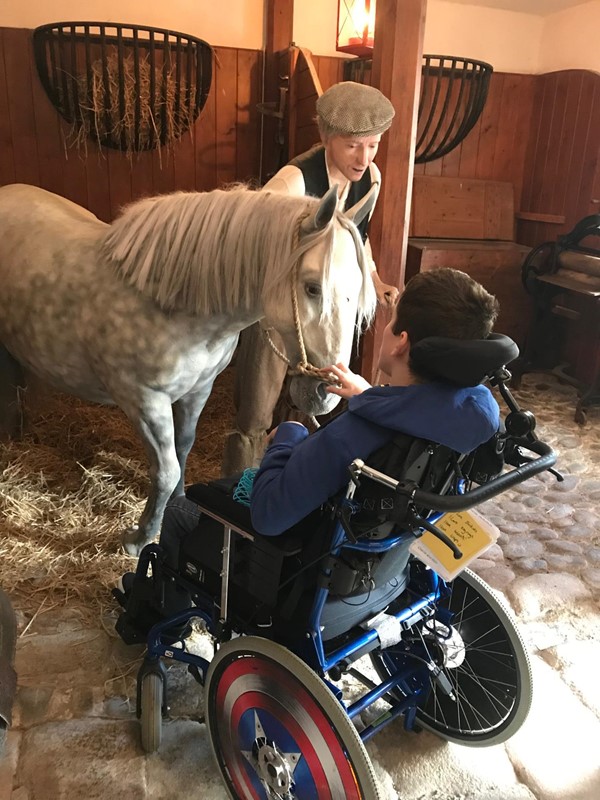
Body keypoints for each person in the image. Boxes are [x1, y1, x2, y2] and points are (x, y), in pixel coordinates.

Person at [116, 269, 501, 633]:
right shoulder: (477, 416)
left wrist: (288, 436)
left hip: (307, 583)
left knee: (182, 509)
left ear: (401, 341)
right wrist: (370, 396)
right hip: (385, 571)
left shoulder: (350, 436)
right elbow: (417, 410)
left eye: (391, 319)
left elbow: (269, 515)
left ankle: (165, 615)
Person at [221, 81, 399, 476]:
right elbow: (247, 237)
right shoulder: (293, 182)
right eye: (353, 145)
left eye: (372, 145)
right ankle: (239, 497)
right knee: (255, 414)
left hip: (326, 305)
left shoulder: (370, 179)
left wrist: (375, 277)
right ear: (325, 137)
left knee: (321, 388)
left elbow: (356, 238)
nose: (363, 156)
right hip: (277, 307)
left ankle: (295, 477)